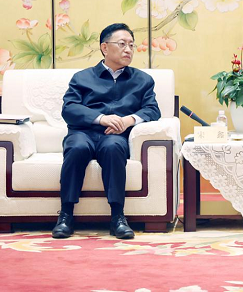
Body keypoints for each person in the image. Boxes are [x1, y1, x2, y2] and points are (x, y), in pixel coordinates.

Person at [52, 23, 161, 239]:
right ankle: (66, 215)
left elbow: (152, 109)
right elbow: (69, 108)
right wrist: (101, 118)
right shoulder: (82, 78)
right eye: (122, 44)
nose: (128, 49)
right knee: (77, 148)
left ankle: (117, 217)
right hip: (83, 132)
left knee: (113, 148)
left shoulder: (143, 80)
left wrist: (128, 120)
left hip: (115, 135)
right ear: (104, 47)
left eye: (131, 45)